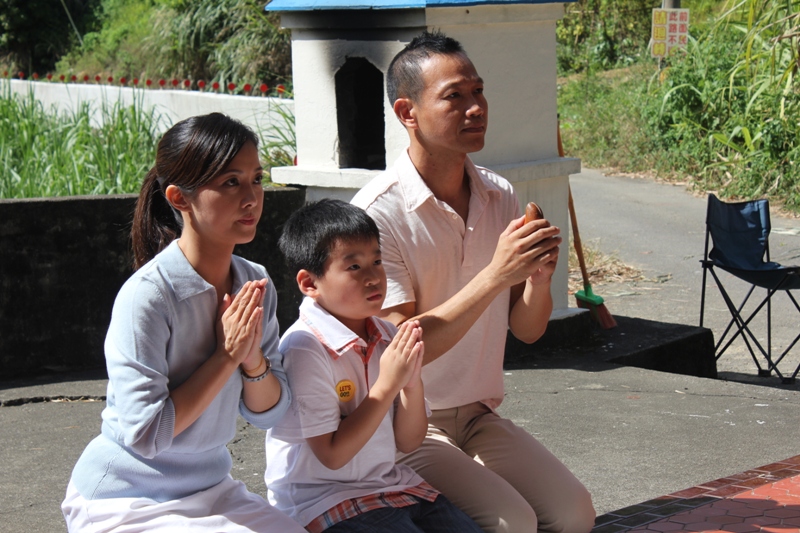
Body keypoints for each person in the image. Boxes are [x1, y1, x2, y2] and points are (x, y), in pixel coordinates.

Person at [351, 31, 596, 533]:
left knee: (574, 515)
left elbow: (527, 331)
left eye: (478, 92)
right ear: (407, 112)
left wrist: (537, 281)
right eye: (454, 96)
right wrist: (496, 274)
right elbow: (407, 347)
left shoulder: (497, 193)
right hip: (408, 424)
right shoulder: (376, 214)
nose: (475, 107)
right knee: (515, 524)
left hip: (480, 413)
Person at [61, 113, 305, 533]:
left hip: (212, 488)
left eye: (257, 179)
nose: (251, 198)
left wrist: (252, 362)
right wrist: (226, 356)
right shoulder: (149, 296)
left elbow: (271, 413)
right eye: (231, 182)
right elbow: (148, 435)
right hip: (124, 498)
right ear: (179, 197)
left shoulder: (254, 282)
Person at [264, 199, 483, 533]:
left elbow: (409, 442)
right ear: (310, 284)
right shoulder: (305, 347)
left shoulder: (386, 333)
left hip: (390, 486)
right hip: (323, 499)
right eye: (354, 267)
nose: (373, 277)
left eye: (376, 261)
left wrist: (410, 383)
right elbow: (332, 456)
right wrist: (387, 385)